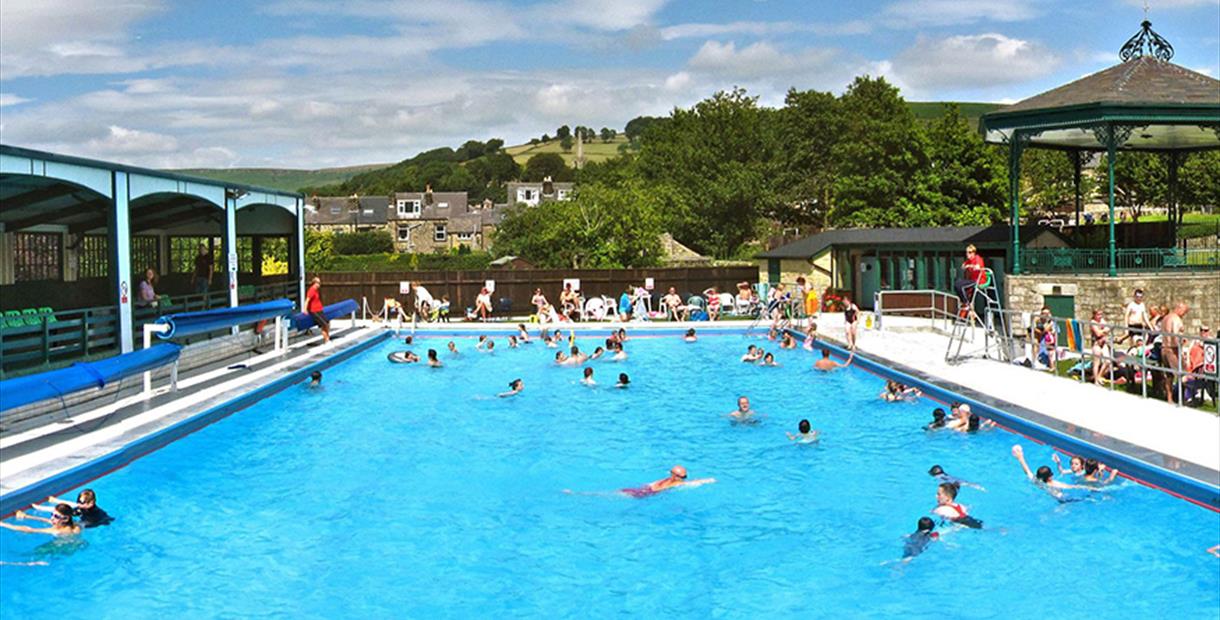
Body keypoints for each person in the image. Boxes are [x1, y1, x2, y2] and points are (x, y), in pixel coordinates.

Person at [1011, 444, 1099, 500]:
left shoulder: (1036, 480)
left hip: (1052, 495)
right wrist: (1094, 489)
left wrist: (1020, 458)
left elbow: (1027, 471)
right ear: (1050, 476)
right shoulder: (1055, 484)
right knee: (1084, 498)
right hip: (1062, 498)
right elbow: (1072, 487)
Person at [619, 465, 715, 498]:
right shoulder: (678, 483)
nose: (685, 478)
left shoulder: (665, 479)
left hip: (641, 490)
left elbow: (650, 484)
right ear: (677, 476)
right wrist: (707, 480)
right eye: (684, 476)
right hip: (643, 495)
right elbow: (690, 483)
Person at [35, 489, 113, 528]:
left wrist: (40, 508)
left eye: (82, 503)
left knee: (70, 524)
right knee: (67, 511)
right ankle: (55, 500)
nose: (79, 504)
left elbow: (64, 511)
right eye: (78, 501)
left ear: (91, 503)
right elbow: (65, 509)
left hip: (94, 521)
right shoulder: (82, 507)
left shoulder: (95, 513)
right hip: (86, 516)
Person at [1163, 302, 1188, 404]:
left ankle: (1169, 398)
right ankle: (1182, 398)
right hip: (1172, 349)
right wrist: (1180, 345)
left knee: (1169, 375)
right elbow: (1174, 334)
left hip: (1163, 348)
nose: (1184, 314)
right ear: (1179, 308)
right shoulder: (1176, 319)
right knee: (1183, 373)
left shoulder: (1166, 318)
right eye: (1184, 311)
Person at [1, 504, 81, 537]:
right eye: (52, 514)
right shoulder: (74, 525)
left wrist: (2, 524)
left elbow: (30, 530)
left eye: (56, 516)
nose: (52, 518)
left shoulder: (58, 531)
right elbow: (47, 520)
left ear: (65, 519)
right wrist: (26, 516)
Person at [953, 244, 986, 314]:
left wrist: (969, 266)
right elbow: (962, 266)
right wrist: (966, 265)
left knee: (961, 286)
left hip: (978, 280)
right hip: (972, 280)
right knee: (957, 283)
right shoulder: (969, 260)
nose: (968, 254)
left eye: (970, 252)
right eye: (967, 252)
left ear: (974, 253)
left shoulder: (977, 258)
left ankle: (966, 303)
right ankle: (965, 302)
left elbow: (978, 267)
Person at [305, 276, 330, 344]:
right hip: (314, 311)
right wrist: (305, 310)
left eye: (320, 283)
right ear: (314, 283)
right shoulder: (311, 290)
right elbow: (307, 300)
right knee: (324, 325)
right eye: (318, 283)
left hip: (319, 310)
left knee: (327, 323)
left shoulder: (316, 290)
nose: (319, 284)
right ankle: (326, 340)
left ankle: (327, 338)